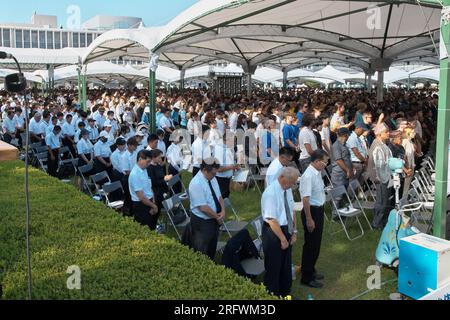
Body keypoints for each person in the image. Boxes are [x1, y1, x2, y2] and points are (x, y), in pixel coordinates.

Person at [261, 167, 300, 297]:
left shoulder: (287, 189)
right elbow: (271, 219)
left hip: (286, 228)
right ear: (283, 178)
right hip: (274, 232)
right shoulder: (270, 193)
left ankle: (285, 292)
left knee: (285, 264)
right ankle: (272, 294)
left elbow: (292, 210)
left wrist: (294, 231)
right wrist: (283, 239)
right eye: (292, 182)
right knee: (274, 266)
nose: (293, 185)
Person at [299, 149, 329, 288]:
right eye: (325, 161)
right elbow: (305, 199)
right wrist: (309, 219)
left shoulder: (316, 173)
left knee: (316, 244)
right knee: (311, 245)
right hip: (311, 212)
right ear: (316, 161)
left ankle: (311, 269)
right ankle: (306, 277)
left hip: (318, 210)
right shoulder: (308, 176)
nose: (326, 164)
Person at [188, 159, 224, 260]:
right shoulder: (196, 183)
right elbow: (203, 207)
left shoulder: (212, 178)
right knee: (202, 250)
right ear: (204, 170)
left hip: (214, 218)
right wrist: (217, 217)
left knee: (212, 246)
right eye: (213, 173)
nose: (214, 175)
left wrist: (223, 211)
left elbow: (219, 196)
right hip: (202, 222)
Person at [367, 123, 393, 229]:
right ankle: (376, 223)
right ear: (379, 134)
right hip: (381, 178)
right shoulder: (376, 145)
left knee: (385, 201)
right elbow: (376, 165)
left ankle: (382, 222)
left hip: (386, 176)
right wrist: (377, 178)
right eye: (386, 132)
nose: (388, 133)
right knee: (381, 202)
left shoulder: (382, 143)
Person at [129, 149, 159, 230]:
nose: (149, 164)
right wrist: (154, 206)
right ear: (140, 159)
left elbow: (149, 187)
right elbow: (141, 197)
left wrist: (153, 201)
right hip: (141, 206)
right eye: (148, 161)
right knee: (145, 229)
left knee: (151, 227)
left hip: (149, 202)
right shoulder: (135, 174)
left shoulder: (144, 169)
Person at [147, 149, 172, 221]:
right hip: (155, 192)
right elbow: (153, 182)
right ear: (153, 158)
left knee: (159, 209)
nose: (161, 159)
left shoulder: (158, 166)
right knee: (155, 210)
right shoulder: (150, 168)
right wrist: (165, 179)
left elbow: (161, 176)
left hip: (161, 190)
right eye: (159, 157)